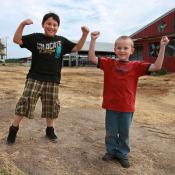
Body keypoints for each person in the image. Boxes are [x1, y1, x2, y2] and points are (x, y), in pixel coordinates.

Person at [88, 31, 169, 168]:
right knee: (111, 131)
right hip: (111, 106)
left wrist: (162, 47)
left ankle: (122, 153)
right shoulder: (108, 63)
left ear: (132, 50)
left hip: (127, 106)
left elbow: (157, 67)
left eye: (126, 48)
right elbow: (92, 58)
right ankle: (111, 151)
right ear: (114, 50)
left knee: (124, 132)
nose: (122, 50)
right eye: (119, 48)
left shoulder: (136, 66)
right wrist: (93, 40)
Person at [7, 12, 89, 144]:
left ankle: (50, 130)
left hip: (53, 79)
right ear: (43, 25)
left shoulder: (61, 41)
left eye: (55, 25)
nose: (51, 27)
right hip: (35, 78)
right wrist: (22, 24)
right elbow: (16, 40)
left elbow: (77, 47)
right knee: (25, 102)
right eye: (49, 24)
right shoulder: (36, 38)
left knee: (51, 106)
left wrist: (84, 34)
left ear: (58, 27)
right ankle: (13, 129)